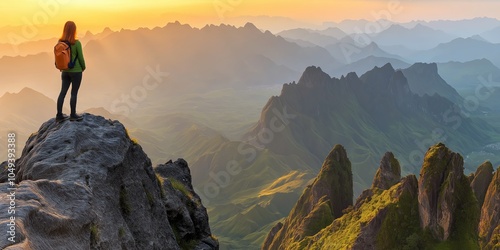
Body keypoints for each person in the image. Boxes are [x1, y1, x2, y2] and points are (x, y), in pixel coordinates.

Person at [56, 21, 86, 122]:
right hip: (76, 71)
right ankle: (73, 115)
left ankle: (59, 115)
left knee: (62, 92)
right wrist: (83, 67)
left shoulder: (60, 42)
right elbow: (81, 58)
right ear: (74, 30)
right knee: (74, 93)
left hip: (64, 71)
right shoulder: (76, 43)